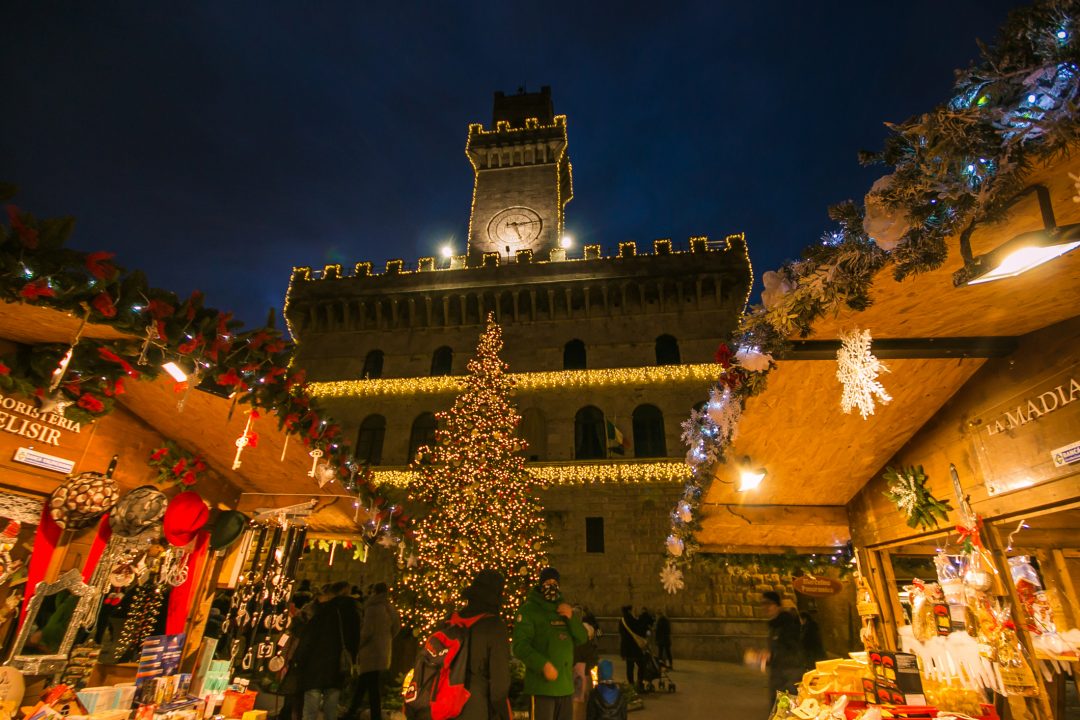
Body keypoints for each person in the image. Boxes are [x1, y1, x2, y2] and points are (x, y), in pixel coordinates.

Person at [512, 567, 587, 720]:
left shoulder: (564, 608)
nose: (551, 585)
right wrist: (543, 664)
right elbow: (519, 646)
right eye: (547, 582)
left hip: (565, 687)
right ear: (540, 585)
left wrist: (572, 617)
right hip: (541, 689)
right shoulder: (528, 611)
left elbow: (582, 638)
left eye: (554, 582)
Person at [294, 581, 360, 720]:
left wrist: (298, 658)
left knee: (312, 699)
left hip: (316, 662)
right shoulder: (353, 613)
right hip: (338, 665)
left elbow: (309, 636)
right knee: (332, 702)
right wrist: (353, 659)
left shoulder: (325, 610)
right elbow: (355, 639)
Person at [456, 569, 512, 720]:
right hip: (475, 708)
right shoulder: (494, 627)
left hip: (441, 707)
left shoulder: (449, 621)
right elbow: (499, 688)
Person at [351, 582, 399, 720]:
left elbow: (367, 631)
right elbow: (396, 627)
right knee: (368, 682)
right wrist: (386, 639)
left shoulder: (373, 608)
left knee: (369, 683)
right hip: (383, 650)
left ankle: (358, 711)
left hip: (370, 651)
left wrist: (358, 646)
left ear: (374, 592)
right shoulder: (389, 607)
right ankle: (355, 710)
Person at [762, 591, 803, 698]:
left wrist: (770, 656)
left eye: (769, 604)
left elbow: (792, 648)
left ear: (777, 606)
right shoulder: (774, 624)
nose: (765, 607)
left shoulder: (787, 623)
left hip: (789, 674)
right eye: (763, 604)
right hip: (778, 673)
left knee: (785, 707)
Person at [617, 606, 646, 689]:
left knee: (629, 666)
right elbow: (640, 630)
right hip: (635, 648)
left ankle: (631, 683)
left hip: (626, 648)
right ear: (630, 611)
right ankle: (639, 683)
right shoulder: (633, 620)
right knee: (641, 664)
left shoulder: (621, 621)